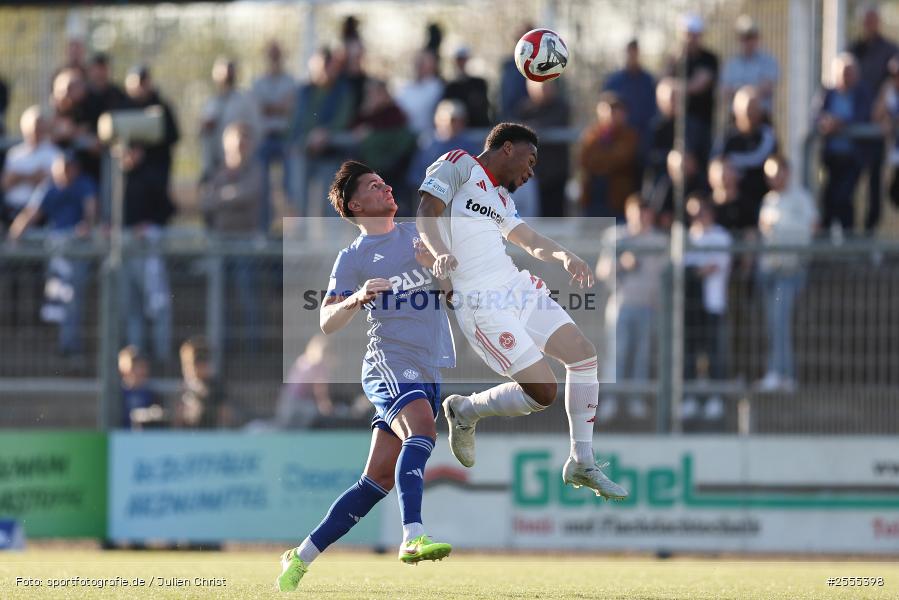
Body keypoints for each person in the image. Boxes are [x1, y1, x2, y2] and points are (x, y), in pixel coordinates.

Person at [416, 123, 628, 500]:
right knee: (544, 391)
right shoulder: (459, 163)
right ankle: (466, 410)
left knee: (583, 355)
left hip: (514, 286)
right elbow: (426, 211)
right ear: (507, 148)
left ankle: (582, 460)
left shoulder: (502, 198)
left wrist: (564, 254)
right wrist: (438, 253)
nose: (531, 172)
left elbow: (527, 239)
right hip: (481, 302)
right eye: (530, 161)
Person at [277, 160, 455, 591]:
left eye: (384, 182)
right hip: (389, 363)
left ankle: (299, 557)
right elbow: (326, 322)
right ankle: (412, 535)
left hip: (426, 364)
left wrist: (440, 268)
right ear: (356, 205)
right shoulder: (353, 256)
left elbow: (450, 294)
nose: (387, 187)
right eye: (375, 186)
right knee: (424, 432)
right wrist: (358, 296)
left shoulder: (418, 235)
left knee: (375, 480)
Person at [9, 151, 97, 356]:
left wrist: (87, 226)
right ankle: (57, 347)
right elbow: (31, 214)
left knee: (72, 298)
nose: (66, 172)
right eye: (62, 167)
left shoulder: (84, 185)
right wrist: (15, 234)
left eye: (69, 167)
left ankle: (70, 347)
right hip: (56, 252)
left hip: (77, 252)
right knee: (55, 297)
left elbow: (91, 213)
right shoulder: (49, 187)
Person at [120, 65, 179, 365]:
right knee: (132, 304)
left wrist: (150, 224)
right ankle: (137, 358)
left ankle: (162, 355)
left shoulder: (153, 172)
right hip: (127, 239)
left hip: (151, 237)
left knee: (157, 301)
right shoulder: (119, 180)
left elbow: (165, 205)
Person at [595, 195, 668, 421]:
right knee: (617, 353)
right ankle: (611, 400)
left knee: (642, 354)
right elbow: (602, 271)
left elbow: (665, 275)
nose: (641, 217)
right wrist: (622, 263)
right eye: (637, 211)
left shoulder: (659, 241)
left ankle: (637, 399)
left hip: (648, 306)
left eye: (645, 212)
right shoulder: (616, 237)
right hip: (621, 304)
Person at [757, 155, 818, 392]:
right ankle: (775, 371)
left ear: (787, 172)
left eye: (777, 172)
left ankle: (783, 374)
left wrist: (779, 230)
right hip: (768, 271)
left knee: (780, 321)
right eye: (769, 174)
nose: (773, 178)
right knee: (772, 323)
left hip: (788, 272)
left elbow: (811, 228)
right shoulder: (768, 200)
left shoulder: (801, 198)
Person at [200, 122, 263, 351]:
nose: (240, 145)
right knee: (218, 298)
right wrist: (227, 196)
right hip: (219, 242)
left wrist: (221, 196)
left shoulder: (254, 169)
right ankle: (219, 347)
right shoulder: (217, 171)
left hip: (245, 243)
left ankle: (252, 349)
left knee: (247, 295)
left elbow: (248, 194)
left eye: (244, 140)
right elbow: (205, 201)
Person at [682, 195, 732, 424]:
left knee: (714, 352)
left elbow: (711, 267)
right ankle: (690, 397)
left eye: (700, 212)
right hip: (690, 305)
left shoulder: (721, 236)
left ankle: (716, 399)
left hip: (712, 303)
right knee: (690, 353)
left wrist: (693, 271)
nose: (696, 218)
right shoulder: (688, 237)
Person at [849, 5, 898, 234]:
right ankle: (847, 235)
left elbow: (890, 88)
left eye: (873, 19)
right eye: (866, 19)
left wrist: (883, 112)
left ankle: (871, 233)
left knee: (877, 187)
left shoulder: (890, 50)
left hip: (878, 131)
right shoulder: (853, 49)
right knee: (848, 184)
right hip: (854, 128)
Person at [814, 53, 870, 233]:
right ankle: (825, 247)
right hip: (831, 157)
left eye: (850, 72)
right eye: (843, 72)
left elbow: (863, 116)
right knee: (829, 199)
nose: (846, 76)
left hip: (852, 158)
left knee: (844, 198)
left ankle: (848, 240)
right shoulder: (827, 94)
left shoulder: (861, 93)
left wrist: (840, 123)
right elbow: (816, 116)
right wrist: (825, 123)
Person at [252, 40, 296, 233]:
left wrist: (271, 107)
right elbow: (258, 108)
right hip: (265, 138)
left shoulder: (290, 81)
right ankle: (264, 230)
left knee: (290, 187)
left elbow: (291, 108)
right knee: (262, 187)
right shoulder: (258, 82)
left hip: (285, 138)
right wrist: (279, 107)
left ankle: (293, 233)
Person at [721, 85, 778, 229]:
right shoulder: (727, 138)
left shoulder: (767, 136)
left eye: (753, 108)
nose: (749, 113)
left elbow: (771, 162)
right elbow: (718, 164)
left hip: (759, 199)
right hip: (733, 200)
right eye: (746, 108)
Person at [512, 79, 571, 217]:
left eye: (547, 86)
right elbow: (514, 127)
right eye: (540, 87)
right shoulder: (523, 108)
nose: (544, 90)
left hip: (555, 176)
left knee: (555, 220)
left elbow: (554, 122)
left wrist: (531, 129)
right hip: (530, 178)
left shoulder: (561, 107)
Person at [199, 57, 261, 183]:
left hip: (242, 169)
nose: (226, 75)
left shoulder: (245, 100)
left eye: (229, 71)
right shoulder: (211, 103)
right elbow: (204, 136)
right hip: (216, 167)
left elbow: (256, 130)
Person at [578, 92, 639, 219]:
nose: (611, 115)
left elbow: (619, 159)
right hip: (593, 196)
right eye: (607, 110)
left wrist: (600, 161)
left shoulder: (629, 135)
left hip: (617, 199)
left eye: (615, 111)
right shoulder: (591, 134)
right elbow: (585, 160)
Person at [603, 39, 657, 182]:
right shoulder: (613, 81)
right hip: (618, 143)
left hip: (643, 142)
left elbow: (653, 110)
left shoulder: (648, 80)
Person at [666, 14, 718, 153]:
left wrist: (674, 87)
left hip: (702, 119)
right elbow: (663, 82)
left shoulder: (709, 58)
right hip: (677, 121)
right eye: (688, 34)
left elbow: (698, 85)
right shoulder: (676, 58)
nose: (691, 39)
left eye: (695, 35)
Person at [2, 106, 62, 226]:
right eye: (33, 126)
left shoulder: (54, 153)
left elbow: (54, 182)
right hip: (10, 208)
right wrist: (30, 176)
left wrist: (19, 177)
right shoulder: (15, 154)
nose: (36, 129)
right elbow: (6, 183)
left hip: (39, 214)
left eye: (39, 125)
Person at [406, 100, 479, 195]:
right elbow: (415, 175)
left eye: (459, 120)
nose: (454, 124)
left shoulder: (469, 145)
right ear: (438, 120)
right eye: (451, 120)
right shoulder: (426, 142)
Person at [721, 16, 780, 117]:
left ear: (757, 38)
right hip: (736, 117)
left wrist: (740, 92)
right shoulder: (731, 64)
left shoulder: (768, 61)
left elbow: (767, 87)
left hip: (761, 116)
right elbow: (725, 91)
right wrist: (752, 91)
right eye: (744, 37)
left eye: (751, 36)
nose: (747, 41)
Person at [395, 48, 444, 139]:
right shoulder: (405, 87)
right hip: (405, 136)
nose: (419, 65)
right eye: (418, 62)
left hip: (429, 138)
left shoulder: (438, 87)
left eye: (424, 62)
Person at [442, 46, 491, 128]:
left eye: (464, 59)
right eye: (459, 60)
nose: (462, 63)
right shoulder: (450, 87)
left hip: (479, 128)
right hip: (460, 131)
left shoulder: (480, 84)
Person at [119, 345, 163, 429]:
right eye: (137, 366)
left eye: (144, 366)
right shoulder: (116, 395)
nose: (142, 371)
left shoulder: (153, 395)